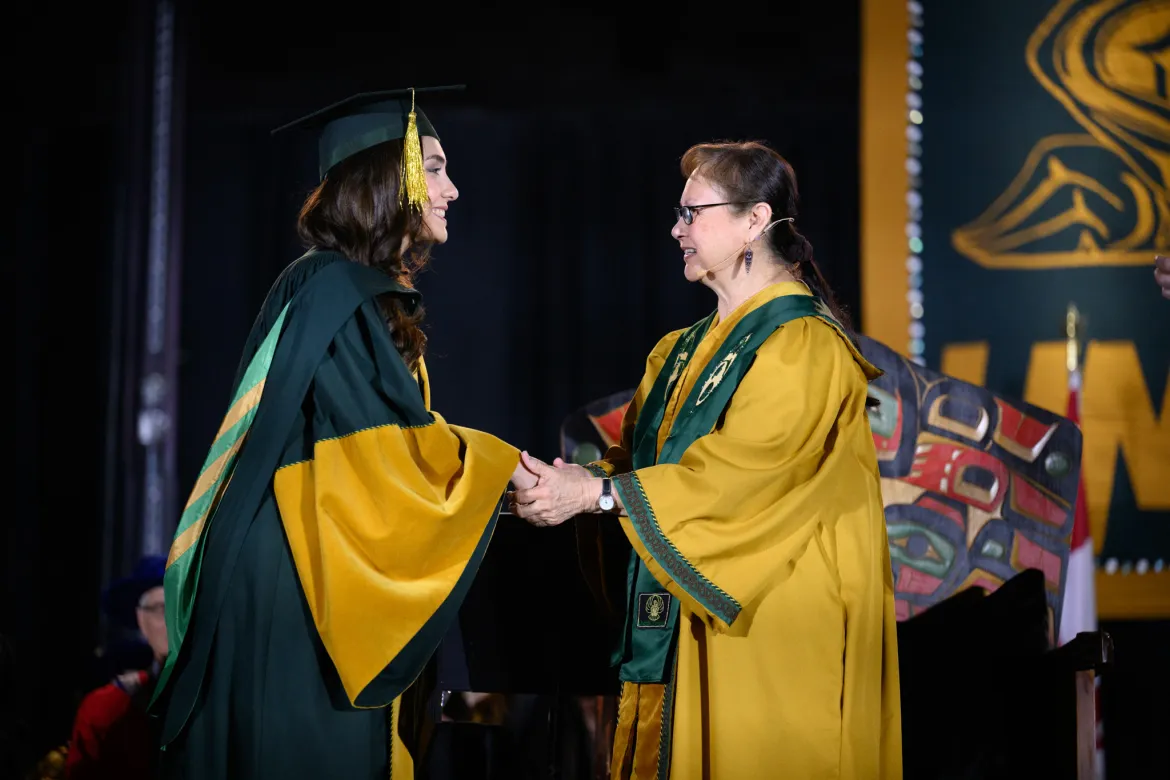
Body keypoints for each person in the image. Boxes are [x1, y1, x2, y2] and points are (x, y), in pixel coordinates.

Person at [150, 86, 538, 779]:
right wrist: (499, 464)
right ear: (393, 180)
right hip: (302, 580)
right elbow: (386, 454)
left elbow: (378, 432)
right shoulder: (340, 293)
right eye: (437, 169)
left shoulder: (325, 286)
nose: (451, 189)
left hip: (295, 558)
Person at [512, 141, 902, 778]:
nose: (676, 229)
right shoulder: (680, 350)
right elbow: (637, 465)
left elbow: (741, 476)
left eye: (693, 213)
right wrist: (579, 480)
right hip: (686, 624)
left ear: (755, 219)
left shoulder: (803, 344)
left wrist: (597, 497)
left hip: (763, 629)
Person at [66, 556, 168, 780]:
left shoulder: (223, 700)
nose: (174, 620)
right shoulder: (106, 708)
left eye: (185, 607)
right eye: (162, 608)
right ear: (141, 619)